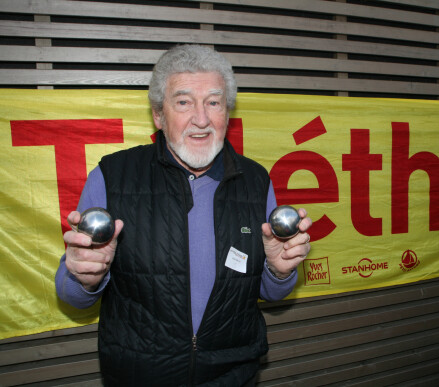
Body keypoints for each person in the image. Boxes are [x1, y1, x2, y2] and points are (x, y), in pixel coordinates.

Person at [55, 44, 312, 386]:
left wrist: (279, 273)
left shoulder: (255, 181)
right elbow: (71, 295)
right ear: (158, 115)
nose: (202, 119)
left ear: (227, 113)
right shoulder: (112, 177)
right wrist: (84, 277)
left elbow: (273, 293)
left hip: (233, 375)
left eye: (214, 102)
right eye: (183, 102)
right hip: (140, 376)